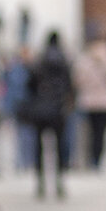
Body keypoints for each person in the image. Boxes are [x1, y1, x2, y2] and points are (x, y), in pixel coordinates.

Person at [27, 31, 75, 199]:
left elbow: (30, 84)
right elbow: (70, 85)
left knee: (38, 147)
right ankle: (60, 181)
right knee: (60, 146)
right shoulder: (64, 60)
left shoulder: (39, 60)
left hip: (41, 108)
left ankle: (40, 182)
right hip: (58, 108)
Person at [72, 34, 106, 170]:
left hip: (105, 103)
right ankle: (87, 159)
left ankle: (98, 159)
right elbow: (78, 80)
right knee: (87, 133)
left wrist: (104, 62)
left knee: (102, 133)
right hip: (88, 102)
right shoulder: (84, 61)